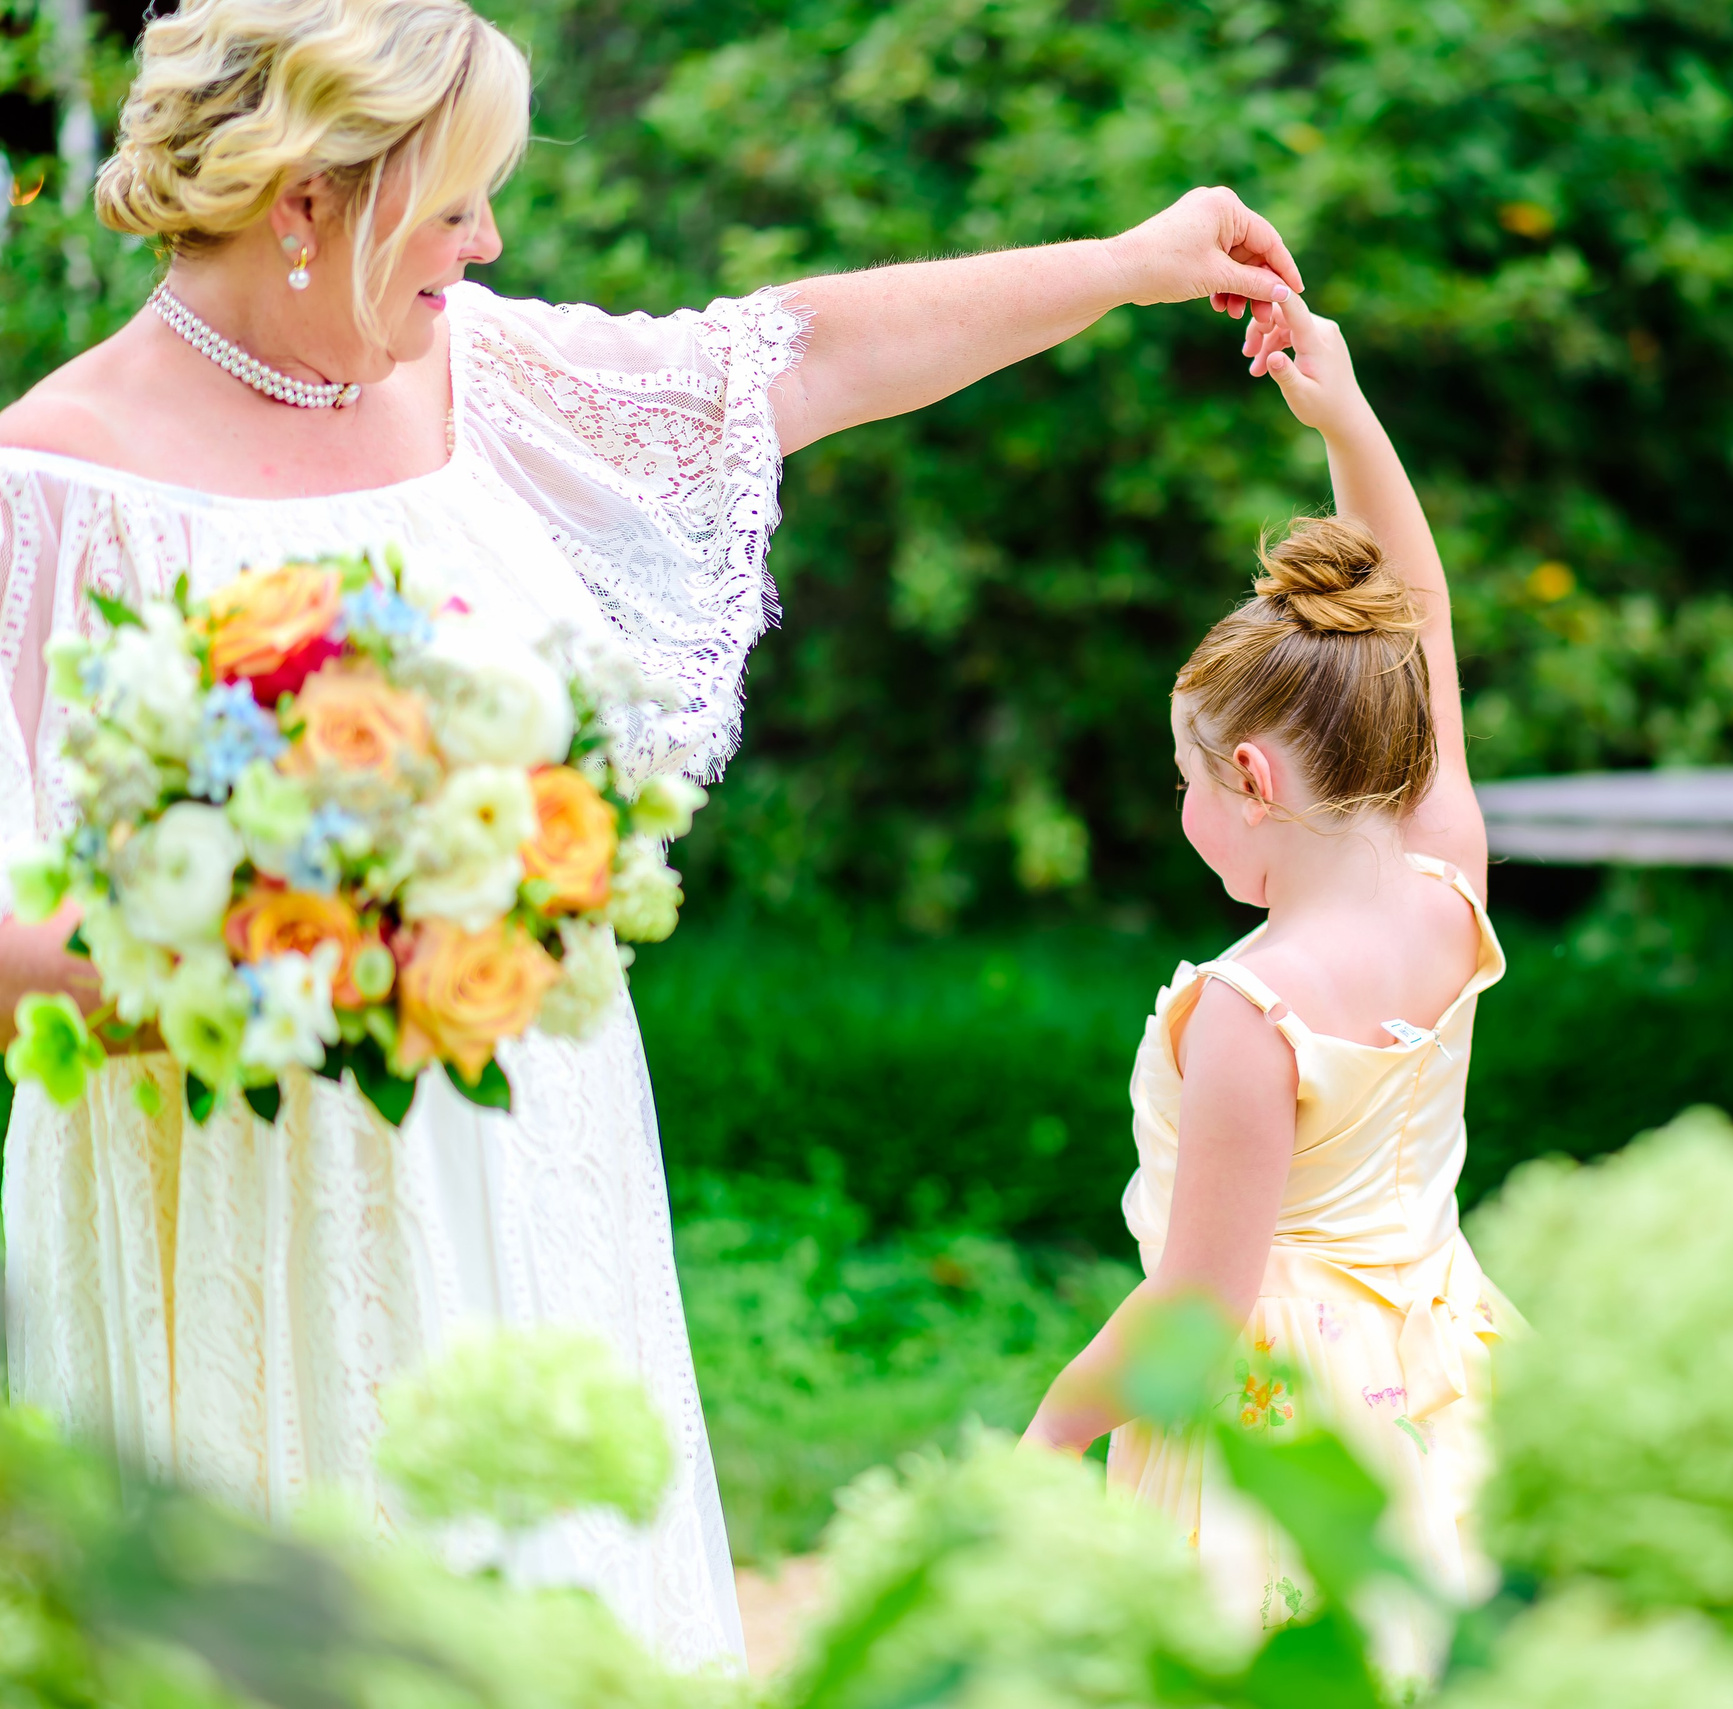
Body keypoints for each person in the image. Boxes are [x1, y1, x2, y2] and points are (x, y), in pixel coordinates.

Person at [0, 0, 1302, 1670]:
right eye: (457, 198)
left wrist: (1126, 258)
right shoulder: (47, 486)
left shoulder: (479, 382)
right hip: (228, 1205)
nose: (488, 240)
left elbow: (794, 356)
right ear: (306, 203)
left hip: (527, 1154)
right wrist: (303, 948)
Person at [1023, 286, 1517, 1674]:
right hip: (1447, 1384)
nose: (1180, 809)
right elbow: (1422, 631)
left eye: (1183, 779)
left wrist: (1047, 1430)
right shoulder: (1447, 882)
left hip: (1291, 1426)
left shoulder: (1249, 1014)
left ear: (1247, 776)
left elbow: (1192, 1310)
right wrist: (1347, 415)